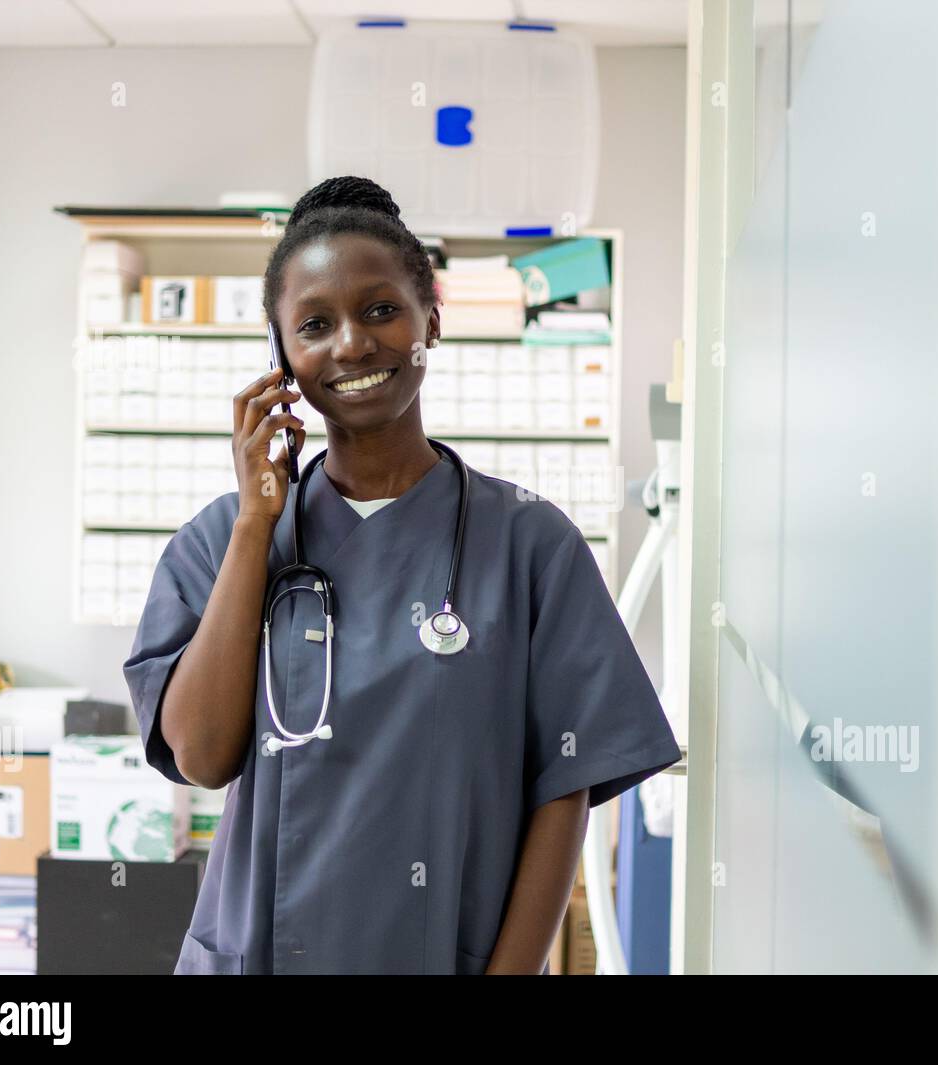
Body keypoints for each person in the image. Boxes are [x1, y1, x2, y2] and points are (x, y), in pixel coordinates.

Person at [122, 176, 682, 975]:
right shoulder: (221, 540)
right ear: (281, 355)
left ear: (432, 320)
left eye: (381, 309)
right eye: (315, 324)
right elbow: (204, 755)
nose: (351, 343)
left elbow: (564, 793)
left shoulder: (530, 542)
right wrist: (256, 526)